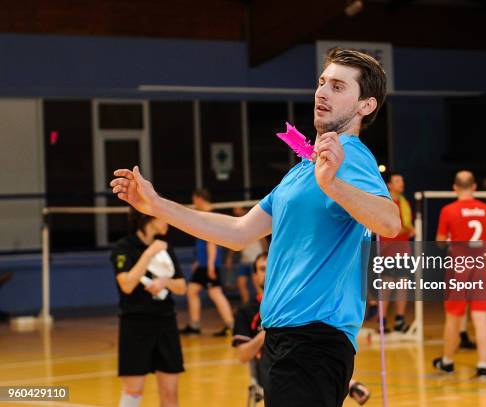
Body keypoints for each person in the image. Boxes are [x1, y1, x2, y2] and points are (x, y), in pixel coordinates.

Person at [110, 47, 400, 407]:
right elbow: (238, 232)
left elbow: (389, 222)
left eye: (338, 87)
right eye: (322, 82)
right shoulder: (303, 170)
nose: (322, 92)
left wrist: (334, 185)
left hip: (315, 339)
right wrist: (157, 205)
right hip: (283, 338)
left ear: (365, 106)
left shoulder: (349, 155)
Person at [232, 253, 371, 405]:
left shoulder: (294, 305)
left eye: (270, 268)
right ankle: (349, 384)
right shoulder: (246, 311)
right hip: (271, 371)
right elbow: (242, 355)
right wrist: (264, 335)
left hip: (305, 364)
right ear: (254, 275)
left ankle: (347, 382)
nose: (267, 273)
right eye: (262, 269)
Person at [110, 209, 186, 407]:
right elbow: (126, 285)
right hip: (135, 325)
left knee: (170, 395)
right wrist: (149, 253)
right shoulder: (123, 248)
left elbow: (181, 286)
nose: (168, 222)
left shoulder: (166, 247)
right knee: (133, 391)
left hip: (165, 323)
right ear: (149, 218)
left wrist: (164, 282)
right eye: (164, 216)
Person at [433, 170, 486, 379]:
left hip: (459, 268)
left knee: (454, 317)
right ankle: (483, 366)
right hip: (483, 268)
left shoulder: (448, 211)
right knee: (481, 317)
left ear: (454, 188)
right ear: (475, 187)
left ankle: (448, 361)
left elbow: (440, 241)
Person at [180, 189, 234, 337]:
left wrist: (210, 265)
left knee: (215, 293)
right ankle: (195, 325)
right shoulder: (204, 215)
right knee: (192, 291)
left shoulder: (209, 216)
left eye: (194, 200)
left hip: (209, 265)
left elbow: (211, 242)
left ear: (199, 199)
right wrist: (199, 260)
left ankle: (231, 325)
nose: (194, 204)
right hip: (204, 264)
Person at [374, 171, 415, 332]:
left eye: (402, 180)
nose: (401, 183)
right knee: (386, 285)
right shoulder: (384, 202)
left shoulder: (404, 203)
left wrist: (409, 230)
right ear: (389, 185)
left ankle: (399, 320)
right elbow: (387, 227)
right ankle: (382, 321)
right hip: (387, 251)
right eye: (397, 181)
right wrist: (406, 229)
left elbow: (406, 226)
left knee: (403, 284)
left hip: (403, 250)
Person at [225, 206, 269, 304]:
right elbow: (234, 242)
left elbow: (264, 243)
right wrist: (229, 257)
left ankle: (263, 307)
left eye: (238, 208)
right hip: (244, 260)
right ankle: (246, 308)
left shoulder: (255, 224)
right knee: (241, 283)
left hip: (255, 259)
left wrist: (265, 256)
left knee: (258, 285)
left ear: (244, 210)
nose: (235, 210)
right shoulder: (237, 225)